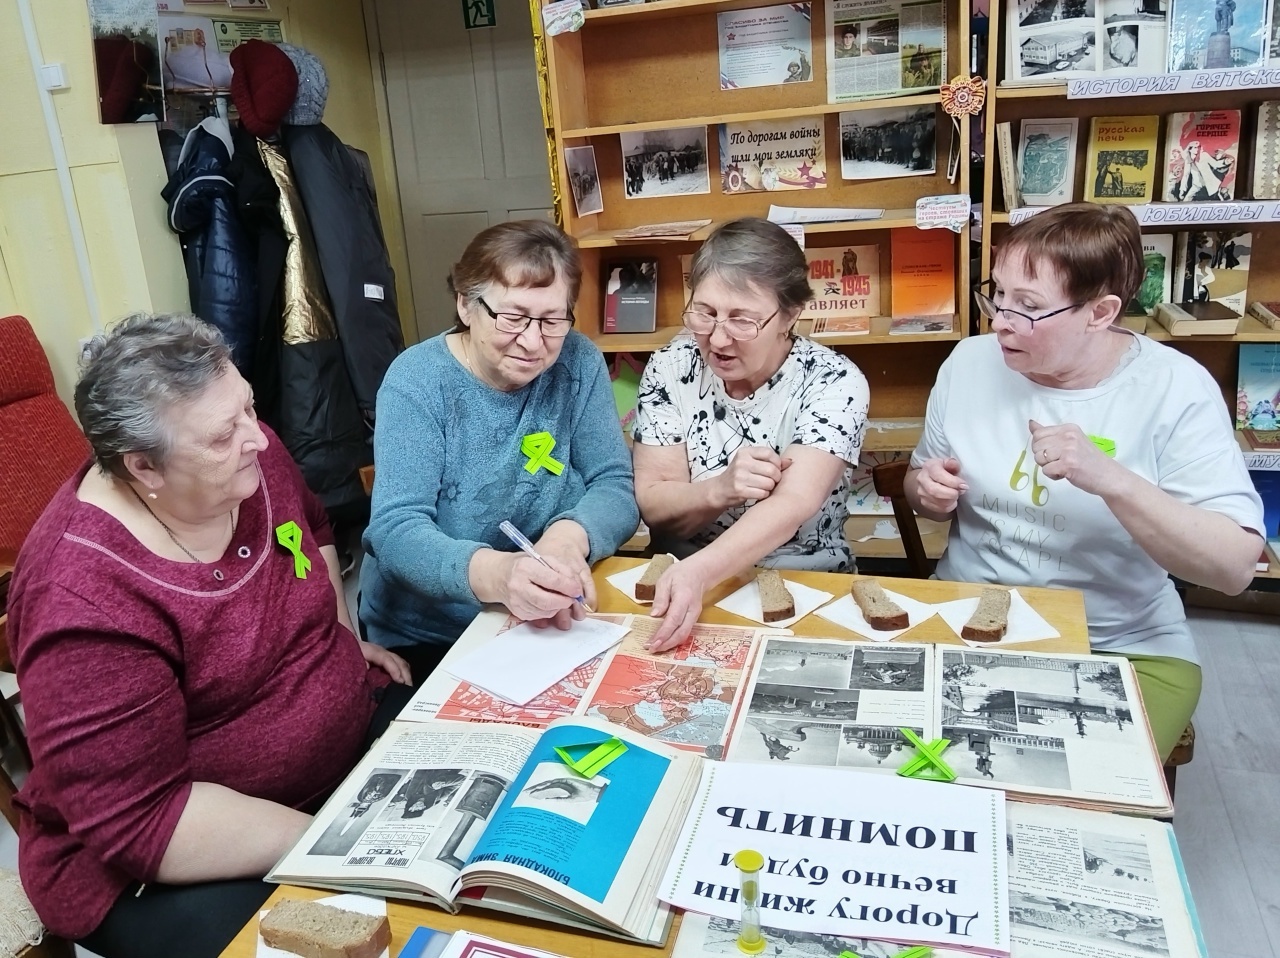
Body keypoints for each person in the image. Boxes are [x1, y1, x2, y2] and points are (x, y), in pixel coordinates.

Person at [5, 314, 412, 958]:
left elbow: (313, 529)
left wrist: (334, 637)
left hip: (327, 774)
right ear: (144, 466)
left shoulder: (245, 453)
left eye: (248, 406)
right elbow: (144, 820)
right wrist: (337, 842)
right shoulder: (82, 597)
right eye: (225, 434)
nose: (258, 438)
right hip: (163, 860)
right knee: (381, 939)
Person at [906, 204, 1264, 759]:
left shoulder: (1175, 388)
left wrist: (1111, 480)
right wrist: (926, 490)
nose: (1000, 321)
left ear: (1100, 312)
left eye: (1029, 306)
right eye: (997, 293)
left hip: (1120, 644)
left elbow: (1234, 568)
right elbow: (920, 489)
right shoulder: (968, 362)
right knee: (911, 767)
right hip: (967, 618)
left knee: (1063, 786)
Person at [360, 220, 638, 676]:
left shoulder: (578, 361)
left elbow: (613, 483)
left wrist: (568, 539)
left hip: (548, 616)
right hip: (432, 632)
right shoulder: (417, 381)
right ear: (466, 305)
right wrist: (500, 575)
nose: (533, 341)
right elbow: (395, 533)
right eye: (513, 317)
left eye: (552, 320)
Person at [632, 218, 870, 651]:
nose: (718, 339)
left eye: (742, 320)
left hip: (804, 584)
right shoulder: (671, 367)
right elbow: (655, 504)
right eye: (705, 313)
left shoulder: (833, 380)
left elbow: (792, 504)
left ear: (790, 315)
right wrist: (720, 490)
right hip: (679, 579)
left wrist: (701, 571)